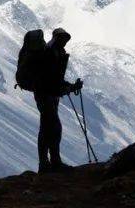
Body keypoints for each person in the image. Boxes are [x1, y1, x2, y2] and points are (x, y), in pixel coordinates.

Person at [34, 27, 82, 173]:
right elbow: (52, 80)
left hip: (47, 95)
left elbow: (55, 80)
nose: (65, 41)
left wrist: (69, 87)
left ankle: (47, 163)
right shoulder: (51, 53)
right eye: (63, 38)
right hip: (46, 95)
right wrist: (70, 88)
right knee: (53, 127)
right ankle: (52, 162)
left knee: (47, 127)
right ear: (57, 38)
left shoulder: (53, 51)